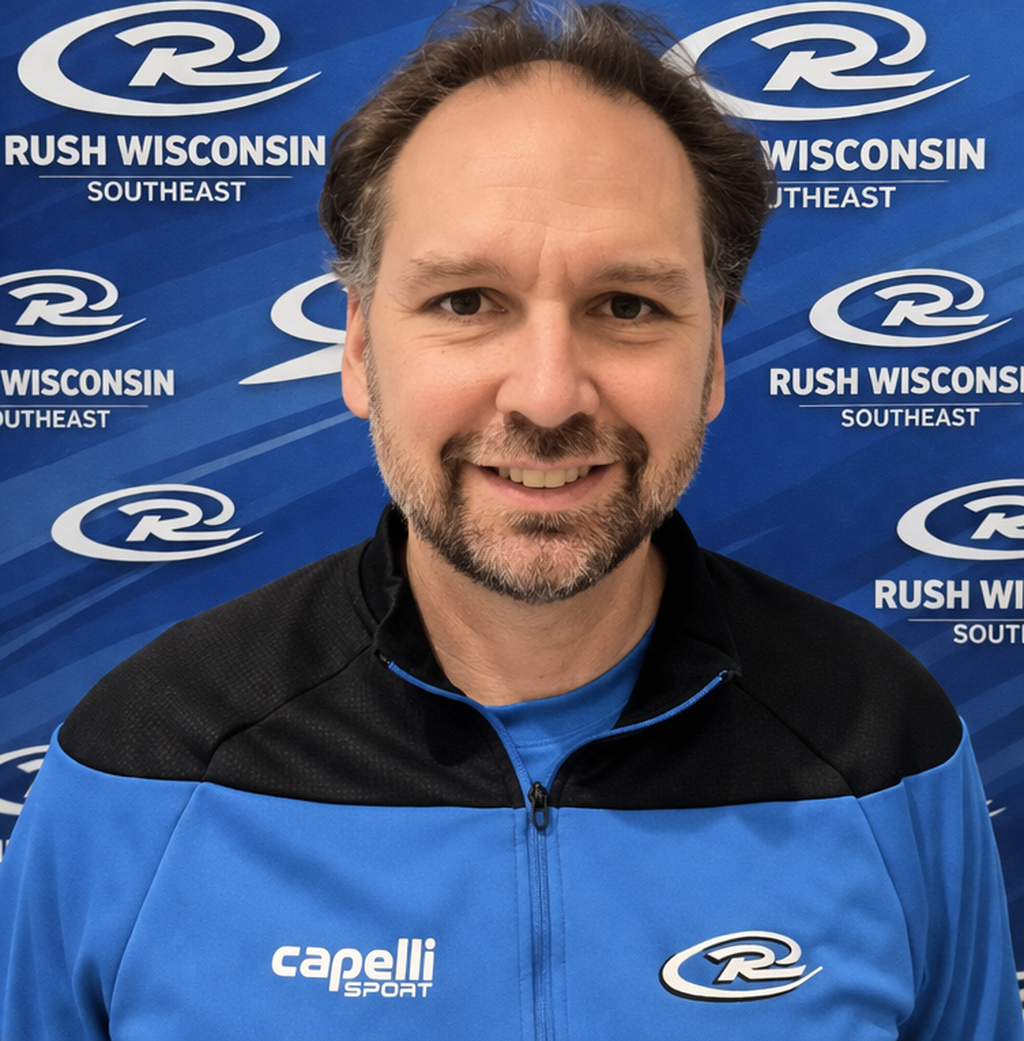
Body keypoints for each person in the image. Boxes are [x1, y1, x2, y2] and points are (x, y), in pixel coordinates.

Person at [1, 3, 1019, 1038]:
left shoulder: (880, 743)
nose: (546, 395)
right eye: (465, 301)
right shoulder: (146, 761)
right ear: (359, 349)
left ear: (712, 358)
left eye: (626, 305)